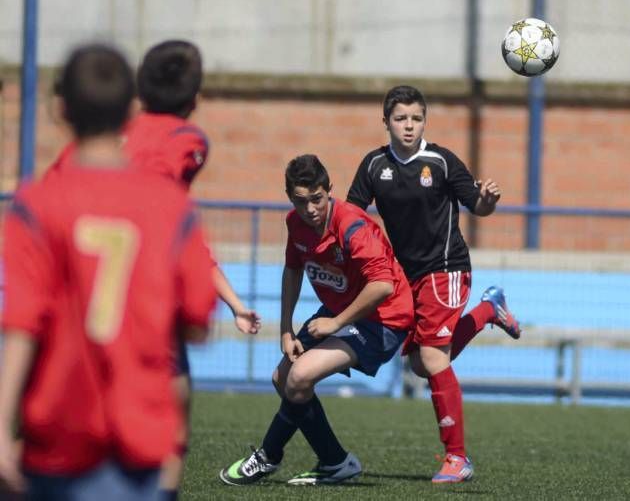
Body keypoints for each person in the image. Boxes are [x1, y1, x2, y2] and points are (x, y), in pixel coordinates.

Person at [0, 44, 217, 500]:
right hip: (136, 434)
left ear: (60, 111)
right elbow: (198, 322)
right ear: (131, 110)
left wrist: (2, 426)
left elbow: (21, 325)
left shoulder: (35, 205)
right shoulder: (170, 207)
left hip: (57, 430)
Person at [46, 40, 261, 498]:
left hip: (75, 295)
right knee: (166, 395)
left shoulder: (71, 165)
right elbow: (169, 216)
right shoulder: (186, 141)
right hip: (140, 290)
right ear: (194, 99)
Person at [346, 85, 521, 483]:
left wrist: (488, 200)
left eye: (416, 118)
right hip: (406, 276)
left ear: (425, 120)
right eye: (400, 118)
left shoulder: (440, 161)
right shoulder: (374, 165)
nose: (409, 126)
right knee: (418, 365)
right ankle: (488, 310)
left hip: (446, 268)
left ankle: (457, 458)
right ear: (386, 122)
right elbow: (352, 215)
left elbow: (477, 204)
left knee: (431, 360)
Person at [218, 154, 414, 486]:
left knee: (300, 377)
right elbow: (292, 269)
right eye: (300, 201)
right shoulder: (296, 223)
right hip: (343, 309)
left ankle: (268, 456)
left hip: (384, 317)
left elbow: (382, 286)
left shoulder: (352, 226)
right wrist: (285, 329)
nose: (310, 208)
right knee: (283, 378)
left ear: (329, 191)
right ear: (291, 199)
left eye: (317, 199)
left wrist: (336, 322)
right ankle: (335, 462)